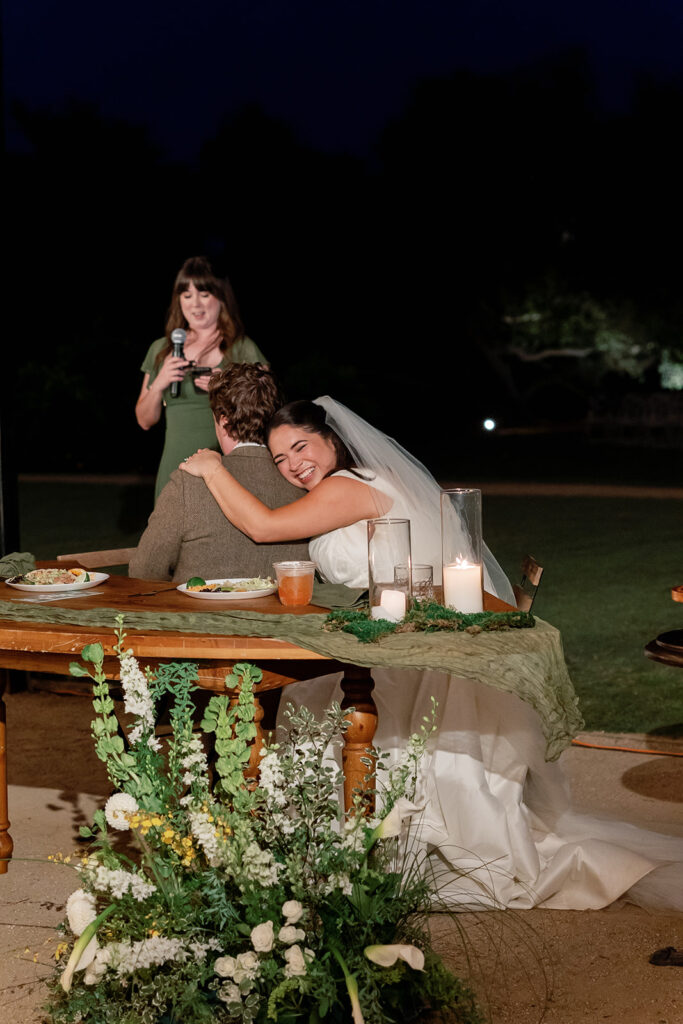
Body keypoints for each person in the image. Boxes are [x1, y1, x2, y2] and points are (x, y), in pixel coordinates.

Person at [180, 396, 683, 913]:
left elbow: (263, 527)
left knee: (307, 693)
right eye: (281, 459)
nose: (293, 464)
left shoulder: (348, 486)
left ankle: (348, 834)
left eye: (301, 446)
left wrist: (213, 468)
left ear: (332, 438)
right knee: (309, 691)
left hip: (416, 655)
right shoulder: (362, 480)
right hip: (401, 635)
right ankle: (339, 830)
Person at [129, 364, 308, 582]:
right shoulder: (302, 480)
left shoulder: (188, 481)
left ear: (224, 422)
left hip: (198, 604)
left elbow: (144, 571)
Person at [135, 256, 268, 501]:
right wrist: (160, 383)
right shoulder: (161, 349)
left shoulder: (242, 348)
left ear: (221, 297)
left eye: (204, 294)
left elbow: (269, 411)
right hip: (174, 468)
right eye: (186, 295)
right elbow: (144, 420)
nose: (195, 304)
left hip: (227, 471)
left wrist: (227, 388)